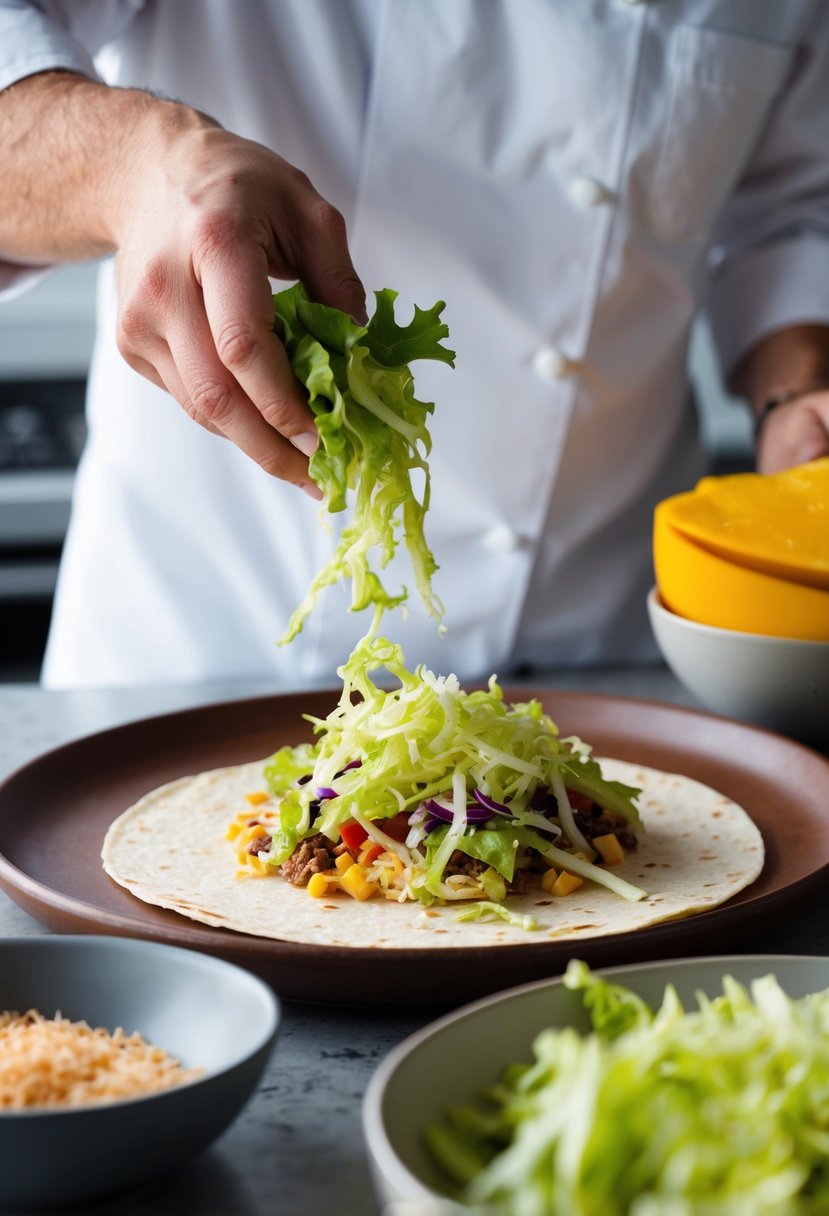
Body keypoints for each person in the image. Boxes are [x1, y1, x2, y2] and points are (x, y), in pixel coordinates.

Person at [1, 0, 828, 690]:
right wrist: (137, 164)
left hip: (606, 667)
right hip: (208, 652)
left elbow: (789, 208)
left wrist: (795, 395)